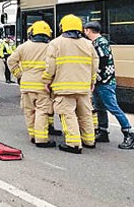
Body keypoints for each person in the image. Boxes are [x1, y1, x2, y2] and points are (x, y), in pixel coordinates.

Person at [42, 14, 98, 154]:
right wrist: (92, 81)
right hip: (83, 87)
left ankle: (73, 144)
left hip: (64, 87)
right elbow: (94, 65)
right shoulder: (88, 44)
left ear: (62, 27)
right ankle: (89, 140)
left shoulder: (56, 43)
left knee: (68, 114)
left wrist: (47, 81)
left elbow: (50, 66)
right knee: (85, 114)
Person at [83, 21, 134, 149]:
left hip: (105, 82)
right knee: (100, 107)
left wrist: (95, 78)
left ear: (89, 30)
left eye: (85, 30)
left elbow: (102, 63)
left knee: (113, 108)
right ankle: (103, 131)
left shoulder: (100, 43)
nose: (84, 32)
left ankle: (129, 133)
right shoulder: (99, 43)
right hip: (101, 81)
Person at [8, 21, 56, 148]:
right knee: (42, 111)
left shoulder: (23, 46)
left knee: (29, 111)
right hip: (42, 85)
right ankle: (41, 139)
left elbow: (11, 60)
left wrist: (19, 74)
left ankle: (33, 135)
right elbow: (53, 65)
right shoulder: (51, 47)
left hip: (26, 84)